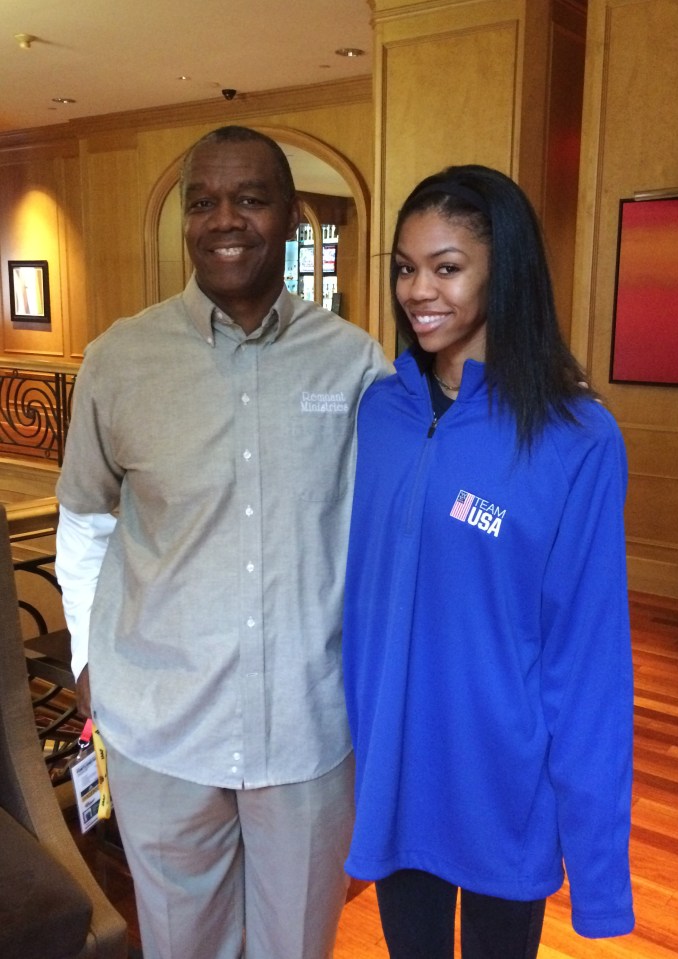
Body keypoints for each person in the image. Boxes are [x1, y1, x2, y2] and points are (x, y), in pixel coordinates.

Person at [55, 125, 390, 959]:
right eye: (201, 202)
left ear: (291, 216)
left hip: (305, 729)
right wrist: (87, 663)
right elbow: (87, 522)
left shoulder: (354, 365)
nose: (224, 219)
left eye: (249, 197)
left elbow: (385, 541)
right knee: (181, 947)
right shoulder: (118, 359)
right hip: (159, 728)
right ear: (184, 224)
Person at [342, 164, 635, 958]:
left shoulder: (575, 436)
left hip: (504, 784)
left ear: (504, 273)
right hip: (395, 780)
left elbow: (590, 661)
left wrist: (602, 878)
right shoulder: (381, 413)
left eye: (446, 267)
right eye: (405, 267)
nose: (417, 290)